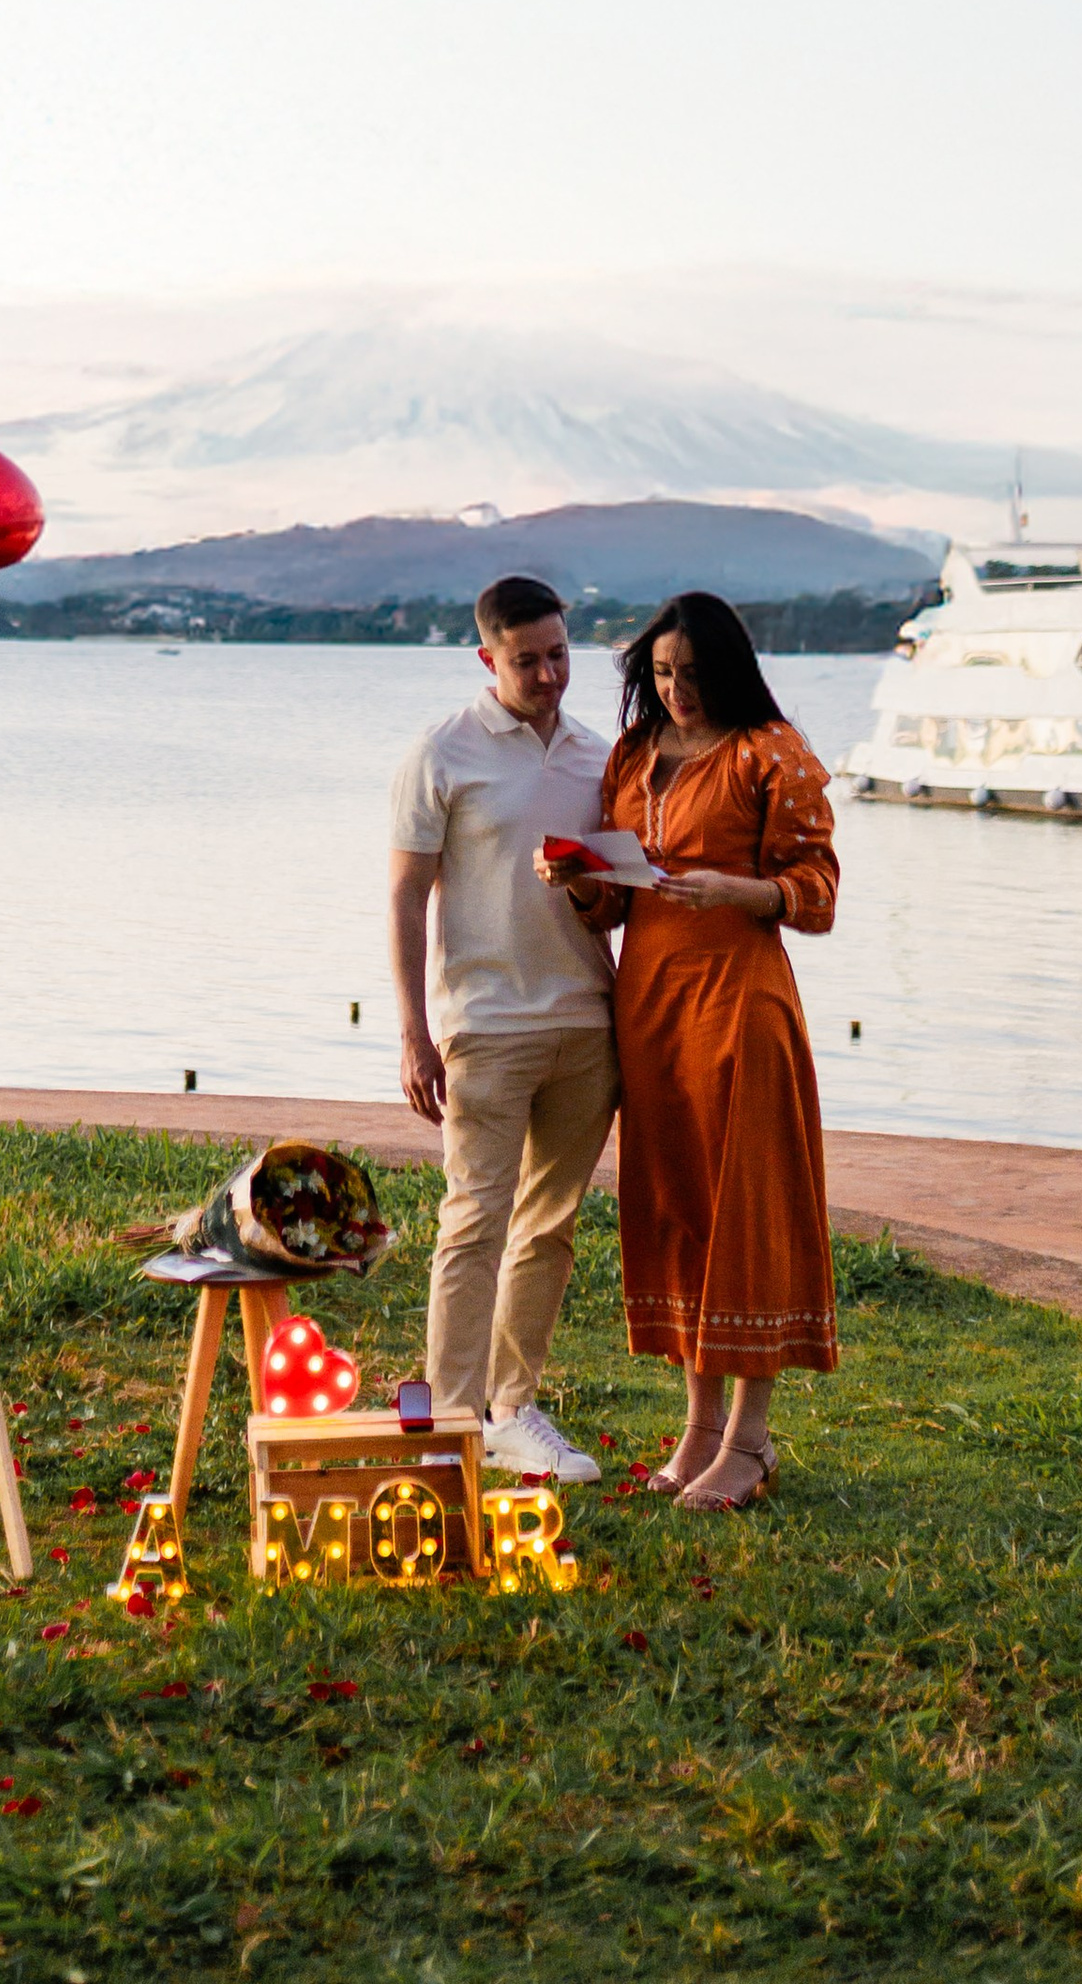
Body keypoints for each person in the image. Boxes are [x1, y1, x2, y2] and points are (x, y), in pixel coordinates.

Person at [541, 588, 837, 1511]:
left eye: (695, 675)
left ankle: (749, 1440)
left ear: (732, 670)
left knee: (744, 1203)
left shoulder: (769, 750)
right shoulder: (634, 754)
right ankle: (700, 1427)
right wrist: (580, 882)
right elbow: (622, 899)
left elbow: (818, 890)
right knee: (674, 1203)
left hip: (741, 997)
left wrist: (740, 892)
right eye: (663, 673)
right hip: (651, 999)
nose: (679, 691)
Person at [387, 573, 619, 1479]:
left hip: (586, 1022)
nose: (550, 673)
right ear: (488, 658)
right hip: (484, 1024)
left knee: (549, 1224)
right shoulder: (441, 752)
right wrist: (414, 1032)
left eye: (560, 653)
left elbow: (610, 901)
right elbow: (405, 897)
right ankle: (451, 1421)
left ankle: (514, 1408)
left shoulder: (596, 757)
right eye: (528, 660)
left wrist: (602, 889)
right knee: (473, 1221)